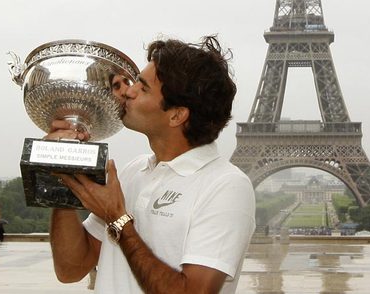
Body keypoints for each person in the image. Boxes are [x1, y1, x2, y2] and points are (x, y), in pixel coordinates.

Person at [48, 35, 256, 293]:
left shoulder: (226, 186)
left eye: (143, 88)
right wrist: (63, 171)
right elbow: (70, 269)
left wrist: (118, 220)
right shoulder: (133, 171)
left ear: (177, 115)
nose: (129, 91)